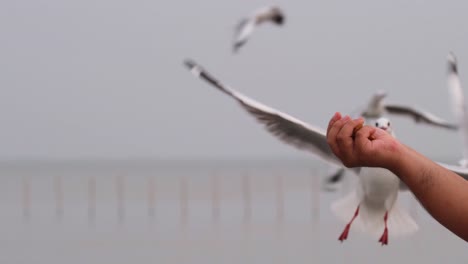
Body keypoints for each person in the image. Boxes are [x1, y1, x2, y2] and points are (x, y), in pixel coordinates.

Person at [326, 112, 468, 242]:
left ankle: (384, 228)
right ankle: (350, 225)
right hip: (362, 198)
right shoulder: (377, 145)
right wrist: (395, 154)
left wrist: (395, 154)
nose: (383, 127)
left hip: (388, 205)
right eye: (378, 125)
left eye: (387, 125)